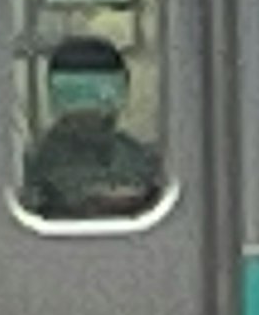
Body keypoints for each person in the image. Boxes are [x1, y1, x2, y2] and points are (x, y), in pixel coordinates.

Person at [20, 37, 163, 220]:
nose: (94, 113)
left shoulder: (137, 157)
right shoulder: (40, 161)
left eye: (106, 97)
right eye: (76, 97)